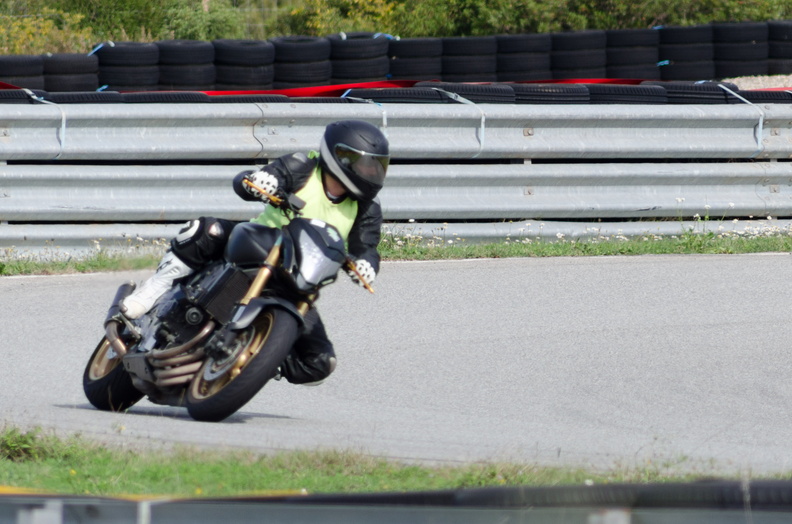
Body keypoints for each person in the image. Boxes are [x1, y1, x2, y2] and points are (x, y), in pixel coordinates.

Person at [120, 119, 390, 385]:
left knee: (320, 362)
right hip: (260, 244)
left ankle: (256, 356)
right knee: (206, 230)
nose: (370, 172)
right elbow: (256, 179)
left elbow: (366, 247)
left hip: (298, 276)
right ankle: (156, 287)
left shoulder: (367, 208)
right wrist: (261, 180)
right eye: (365, 164)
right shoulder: (304, 166)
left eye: (376, 166)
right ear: (339, 157)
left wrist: (366, 264)